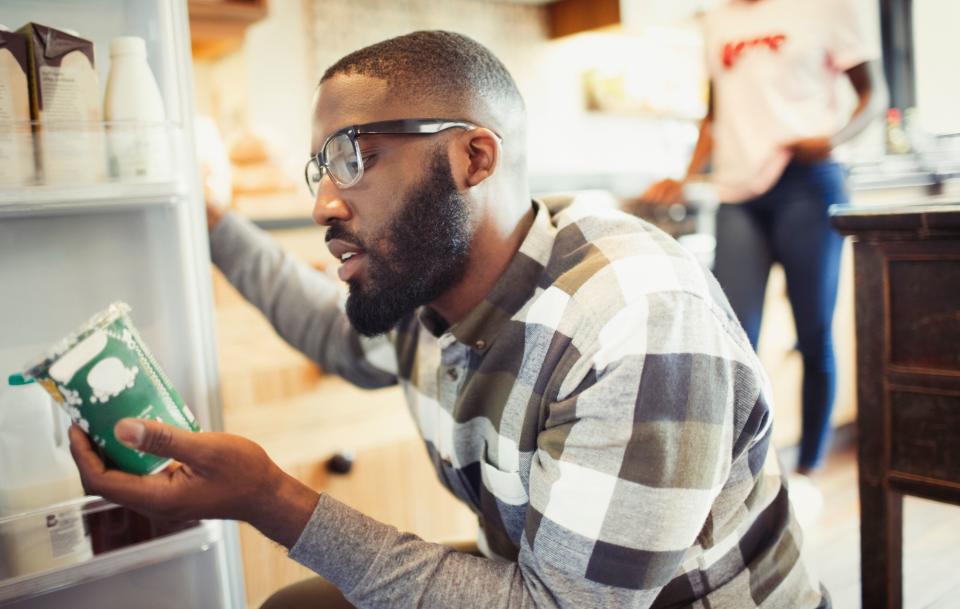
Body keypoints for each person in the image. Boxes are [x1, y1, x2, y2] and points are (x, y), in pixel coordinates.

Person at [69, 31, 829, 608]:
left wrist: (269, 498)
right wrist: (212, 221)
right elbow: (332, 331)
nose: (324, 203)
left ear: (474, 158)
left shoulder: (633, 318)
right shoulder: (428, 290)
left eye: (353, 157)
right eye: (322, 169)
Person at [642, 0, 885, 484]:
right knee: (734, 342)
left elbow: (874, 96)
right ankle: (742, 478)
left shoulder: (830, 8)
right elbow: (715, 115)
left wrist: (833, 140)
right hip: (739, 193)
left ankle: (808, 470)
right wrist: (687, 176)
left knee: (813, 334)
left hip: (809, 183)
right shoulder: (717, 20)